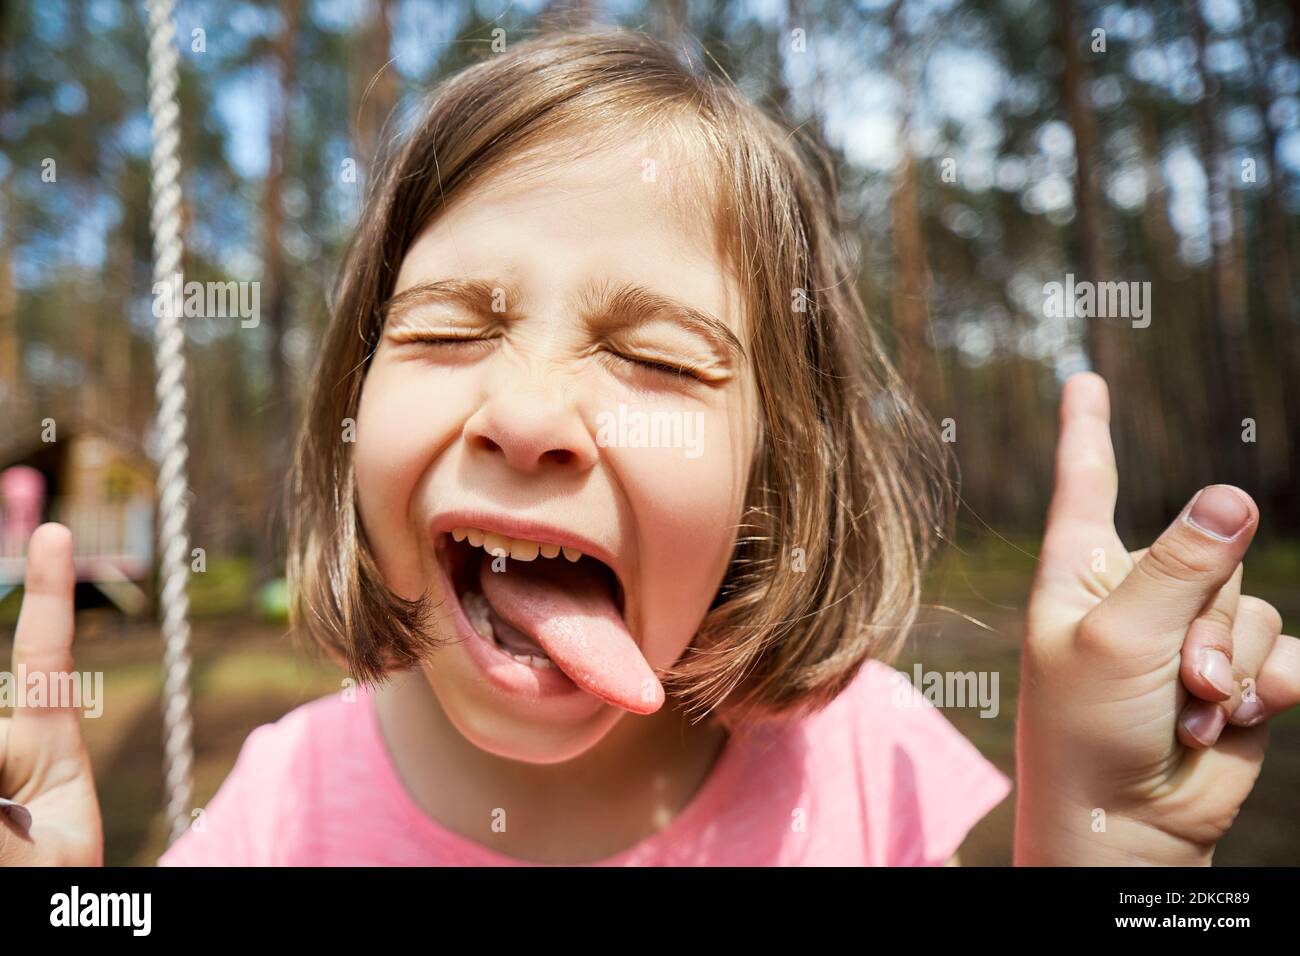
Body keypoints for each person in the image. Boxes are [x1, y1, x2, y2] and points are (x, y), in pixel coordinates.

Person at [1, 28, 1294, 867]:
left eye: (661, 360)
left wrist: (1096, 843)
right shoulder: (277, 817)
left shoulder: (861, 771)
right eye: (450, 331)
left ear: (773, 475)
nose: (528, 415)